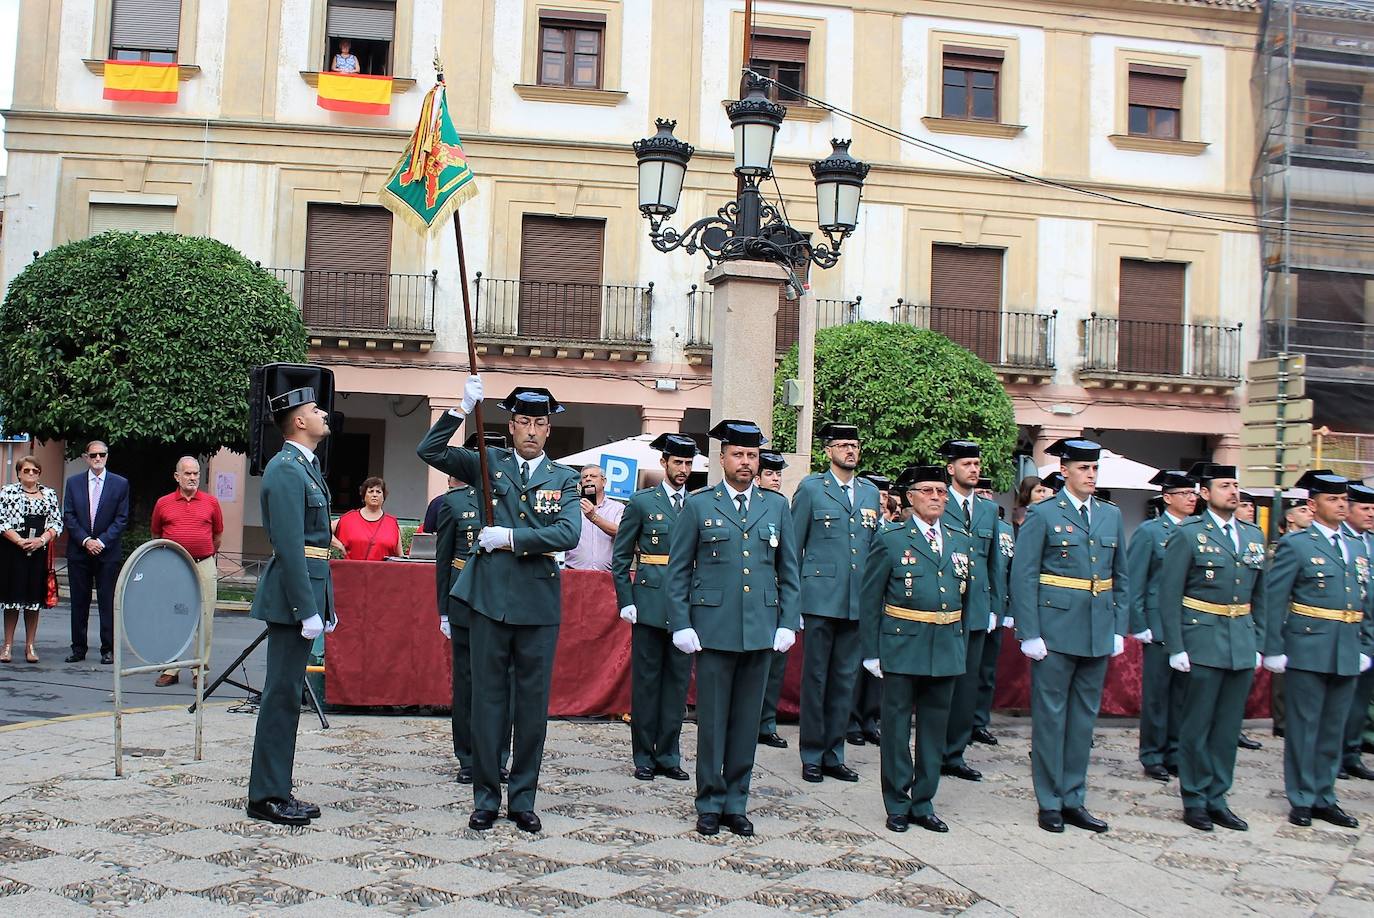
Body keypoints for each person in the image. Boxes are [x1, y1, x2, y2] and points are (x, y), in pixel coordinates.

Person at [417, 379, 581, 834]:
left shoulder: (564, 478)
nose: (531, 430)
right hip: (488, 602)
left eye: (540, 423)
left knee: (531, 708)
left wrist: (510, 538)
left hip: (538, 604)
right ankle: (486, 796)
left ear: (549, 430)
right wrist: (460, 408)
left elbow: (568, 534)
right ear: (510, 426)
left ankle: (523, 798)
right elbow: (429, 451)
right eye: (524, 421)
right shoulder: (489, 464)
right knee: (487, 705)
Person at [666, 419, 800, 837]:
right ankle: (709, 801)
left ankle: (736, 802)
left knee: (746, 723)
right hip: (713, 628)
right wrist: (682, 623)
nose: (746, 462)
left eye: (752, 456)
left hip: (760, 628)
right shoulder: (700, 504)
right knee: (713, 721)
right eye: (738, 455)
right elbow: (678, 570)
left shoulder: (776, 506)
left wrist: (787, 622)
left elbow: (789, 570)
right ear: (722, 458)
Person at [1011, 438, 1128, 834]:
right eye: (1083, 469)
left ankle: (1073, 797)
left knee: (1082, 721)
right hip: (1055, 630)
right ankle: (1049, 801)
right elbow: (1023, 574)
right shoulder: (1044, 514)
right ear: (1064, 472)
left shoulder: (1109, 516)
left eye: (1094, 469)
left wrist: (1117, 626)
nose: (1091, 475)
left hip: (1096, 628)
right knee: (1050, 719)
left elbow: (1120, 575)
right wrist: (1029, 631)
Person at [860, 463, 972, 833]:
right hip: (902, 643)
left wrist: (961, 644)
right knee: (894, 727)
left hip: (945, 647)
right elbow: (870, 597)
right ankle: (897, 801)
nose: (936, 498)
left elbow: (966, 601)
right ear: (910, 498)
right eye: (927, 491)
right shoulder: (892, 539)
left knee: (933, 730)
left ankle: (924, 801)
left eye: (940, 492)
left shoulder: (959, 539)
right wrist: (871, 651)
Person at [1261, 469, 1374, 829]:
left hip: (1346, 645)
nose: (1341, 505)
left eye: (1344, 500)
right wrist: (1274, 648)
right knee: (1305, 726)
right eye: (1332, 499)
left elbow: (1366, 601)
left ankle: (1326, 795)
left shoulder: (1358, 544)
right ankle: (1302, 797)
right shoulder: (1298, 544)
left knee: (1333, 728)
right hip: (1308, 644)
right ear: (1313, 504)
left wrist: (1365, 644)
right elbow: (1274, 598)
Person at [1156, 462, 1265, 832]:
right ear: (1205, 494)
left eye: (1235, 485)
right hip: (1202, 637)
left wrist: (1260, 640)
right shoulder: (1189, 534)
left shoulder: (1252, 536)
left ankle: (1218, 796)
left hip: (1240, 638)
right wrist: (1176, 645)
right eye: (1224, 486)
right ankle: (1194, 798)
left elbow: (1259, 594)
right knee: (1197, 725)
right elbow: (1169, 593)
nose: (1233, 492)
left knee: (1227, 727)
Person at [246, 386, 335, 827]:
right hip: (290, 601)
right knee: (280, 697)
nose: (322, 413)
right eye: (314, 409)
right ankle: (267, 795)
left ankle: (276, 785)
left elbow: (316, 546)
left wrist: (324, 604)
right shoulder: (285, 469)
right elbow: (290, 545)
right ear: (298, 421)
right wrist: (307, 609)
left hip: (303, 595)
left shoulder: (305, 467)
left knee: (286, 696)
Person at [792, 422, 882, 785]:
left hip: (856, 600)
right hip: (818, 598)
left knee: (845, 680)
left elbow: (872, 547)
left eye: (854, 445)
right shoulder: (812, 489)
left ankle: (834, 753)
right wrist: (792, 600)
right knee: (815, 679)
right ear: (828, 450)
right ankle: (812, 754)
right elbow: (794, 546)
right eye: (843, 445)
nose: (850, 451)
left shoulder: (870, 492)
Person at [613, 433, 698, 782]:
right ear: (663, 463)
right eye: (677, 462)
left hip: (685, 608)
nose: (683, 470)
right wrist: (626, 600)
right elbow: (620, 557)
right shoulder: (642, 502)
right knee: (647, 684)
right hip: (648, 601)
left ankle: (669, 755)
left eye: (688, 463)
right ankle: (644, 756)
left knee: (677, 684)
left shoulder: (697, 504)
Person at [436, 432, 514, 785]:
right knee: (467, 684)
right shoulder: (453, 503)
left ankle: (498, 755)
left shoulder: (512, 497)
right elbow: (442, 562)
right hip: (465, 601)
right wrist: (443, 610)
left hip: (504, 602)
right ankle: (468, 756)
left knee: (503, 682)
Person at [939, 441, 1006, 784]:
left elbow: (994, 561)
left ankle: (955, 753)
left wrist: (997, 606)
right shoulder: (937, 500)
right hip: (943, 607)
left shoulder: (987, 511)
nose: (974, 469)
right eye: (967, 464)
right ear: (951, 469)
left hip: (977, 608)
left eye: (977, 464)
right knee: (941, 685)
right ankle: (933, 751)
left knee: (968, 686)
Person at [1129, 469, 1198, 781]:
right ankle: (1153, 754)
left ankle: (1175, 751)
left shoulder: (1199, 531)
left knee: (1183, 695)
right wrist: (1139, 622)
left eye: (1193, 493)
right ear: (1167, 498)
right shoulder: (1150, 532)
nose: (1191, 498)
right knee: (1158, 694)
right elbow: (1135, 580)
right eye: (1184, 493)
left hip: (1189, 623)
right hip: (1157, 624)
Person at [151, 457, 224, 687]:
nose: (193, 478)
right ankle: (170, 669)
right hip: (174, 566)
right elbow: (156, 535)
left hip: (204, 563)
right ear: (177, 476)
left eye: (196, 474)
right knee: (172, 617)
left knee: (205, 618)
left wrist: (203, 551)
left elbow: (217, 536)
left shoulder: (211, 503)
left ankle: (199, 669)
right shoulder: (163, 503)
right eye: (188, 474)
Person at [62, 440, 130, 665]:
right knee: (79, 602)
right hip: (80, 551)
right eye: (93, 455)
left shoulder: (120, 484)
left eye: (102, 454)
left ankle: (107, 649)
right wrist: (85, 540)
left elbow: (121, 519)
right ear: (86, 457)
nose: (98, 459)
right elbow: (69, 516)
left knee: (107, 601)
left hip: (107, 552)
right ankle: (78, 648)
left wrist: (101, 541)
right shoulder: (73, 483)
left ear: (107, 456)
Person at [0, 457, 62, 664]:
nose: (31, 474)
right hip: (13, 551)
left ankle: (30, 645)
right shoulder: (7, 492)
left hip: (38, 552)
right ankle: (7, 645)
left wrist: (41, 539)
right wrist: (19, 540)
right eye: (26, 470)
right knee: (12, 600)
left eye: (35, 470)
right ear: (18, 473)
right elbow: (2, 520)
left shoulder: (49, 494)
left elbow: (56, 522)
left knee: (33, 601)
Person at [847, 471, 893, 747]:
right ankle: (851, 720)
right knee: (852, 666)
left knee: (876, 668)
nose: (882, 501)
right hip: (856, 597)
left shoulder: (890, 529)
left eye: (885, 496)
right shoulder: (861, 524)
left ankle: (869, 719)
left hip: (882, 603)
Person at [756, 449, 793, 749]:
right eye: (770, 473)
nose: (776, 479)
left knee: (775, 665)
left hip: (775, 595)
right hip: (750, 597)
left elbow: (790, 559)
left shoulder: (781, 507)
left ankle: (766, 722)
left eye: (778, 474)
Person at [972, 477, 1012, 746]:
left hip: (993, 607)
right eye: (981, 490)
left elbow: (1003, 569)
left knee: (987, 672)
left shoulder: (1005, 527)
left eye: (989, 490)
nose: (986, 494)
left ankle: (979, 721)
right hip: (970, 607)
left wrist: (1002, 608)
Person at [1273, 495, 1317, 738]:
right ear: (1289, 516)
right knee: (1283, 675)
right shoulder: (1286, 546)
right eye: (1302, 510)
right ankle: (1282, 719)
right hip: (1291, 613)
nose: (1308, 513)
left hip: (1308, 616)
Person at [1340, 482, 1374, 781]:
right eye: (1364, 508)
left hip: (1370, 633)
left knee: (1361, 699)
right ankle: (1334, 754)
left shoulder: (1371, 541)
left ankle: (1352, 752)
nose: (1371, 514)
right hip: (1346, 629)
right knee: (1342, 699)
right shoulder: (1343, 542)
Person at [564, 465, 623, 571]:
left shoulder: (617, 508)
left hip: (607, 575)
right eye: (584, 477)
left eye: (593, 476)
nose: (588, 479)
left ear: (604, 482)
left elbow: (621, 532)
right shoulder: (571, 507)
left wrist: (593, 517)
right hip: (573, 573)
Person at [331, 477, 400, 560]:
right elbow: (323, 530)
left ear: (383, 497)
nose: (374, 495)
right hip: (351, 570)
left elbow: (400, 556)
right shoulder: (348, 518)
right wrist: (339, 545)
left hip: (383, 571)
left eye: (378, 492)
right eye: (371, 491)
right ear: (364, 496)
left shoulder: (392, 523)